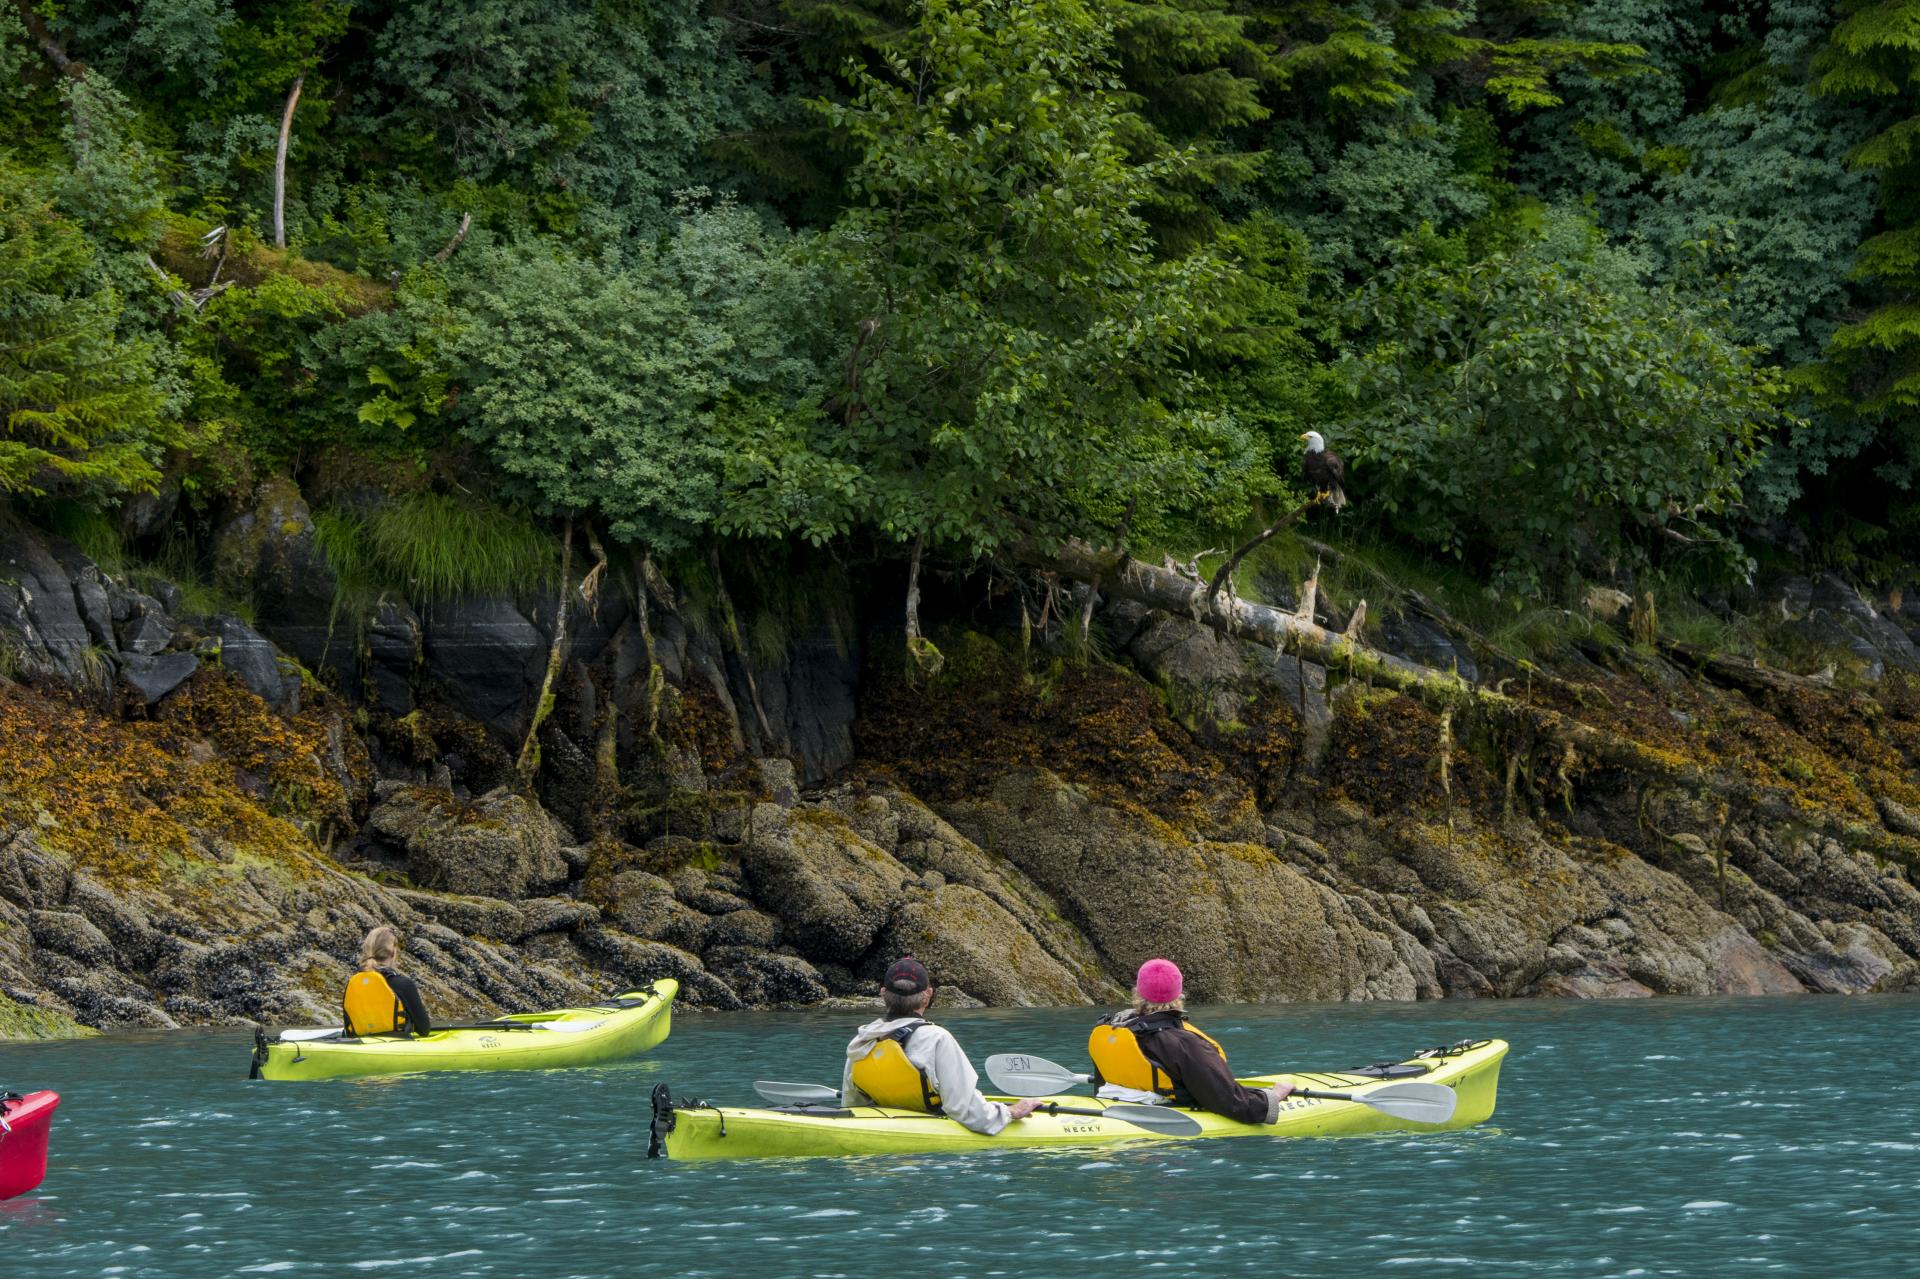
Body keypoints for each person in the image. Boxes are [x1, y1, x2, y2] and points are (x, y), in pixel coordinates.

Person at [842, 956, 1043, 1134]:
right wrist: (1011, 1111)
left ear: (883, 993)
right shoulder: (937, 1038)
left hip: (881, 1130)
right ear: (928, 994)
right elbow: (967, 1111)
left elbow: (852, 1106)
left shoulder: (862, 1040)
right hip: (929, 1145)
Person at [1087, 958, 1292, 1123]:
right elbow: (1232, 1103)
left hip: (1112, 1103)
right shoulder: (1185, 1044)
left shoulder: (1112, 1029)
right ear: (1179, 995)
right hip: (1163, 1117)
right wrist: (1271, 1097)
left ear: (1137, 992)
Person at [342, 926, 433, 1037]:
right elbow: (424, 1030)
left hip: (360, 1045)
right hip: (396, 1047)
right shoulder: (404, 985)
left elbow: (348, 1028)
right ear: (393, 952)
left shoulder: (353, 983)